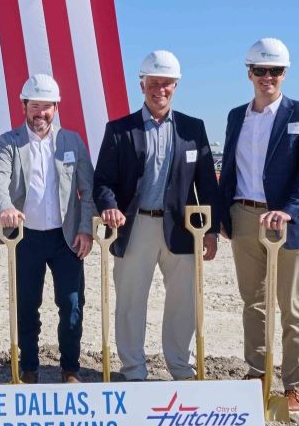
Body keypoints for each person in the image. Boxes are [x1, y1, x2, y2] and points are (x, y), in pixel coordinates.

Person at [213, 38, 299, 414]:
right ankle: (257, 373)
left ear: (284, 73)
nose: (268, 77)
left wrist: (288, 210)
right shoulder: (235, 117)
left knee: (292, 306)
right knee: (254, 302)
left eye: (275, 71)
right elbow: (229, 167)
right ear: (249, 73)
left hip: (286, 223)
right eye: (260, 71)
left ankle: (294, 382)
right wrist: (223, 215)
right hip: (245, 218)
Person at [92, 50, 219, 381]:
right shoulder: (119, 130)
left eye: (166, 83)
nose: (159, 89)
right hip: (135, 228)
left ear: (176, 85)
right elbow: (102, 180)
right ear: (142, 84)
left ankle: (181, 367)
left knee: (184, 303)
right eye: (153, 82)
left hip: (181, 229)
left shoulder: (193, 129)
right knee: (132, 303)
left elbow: (207, 183)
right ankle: (134, 370)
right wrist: (109, 206)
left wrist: (211, 231)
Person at [0, 74, 94, 384]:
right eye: (34, 106)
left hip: (66, 239)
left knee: (71, 304)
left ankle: (70, 368)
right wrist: (5, 207)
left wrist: (86, 230)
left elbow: (88, 189)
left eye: (47, 107)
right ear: (23, 106)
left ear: (56, 108)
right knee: (27, 305)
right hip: (26, 238)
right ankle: (29, 368)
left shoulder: (72, 141)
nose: (40, 113)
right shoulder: (8, 142)